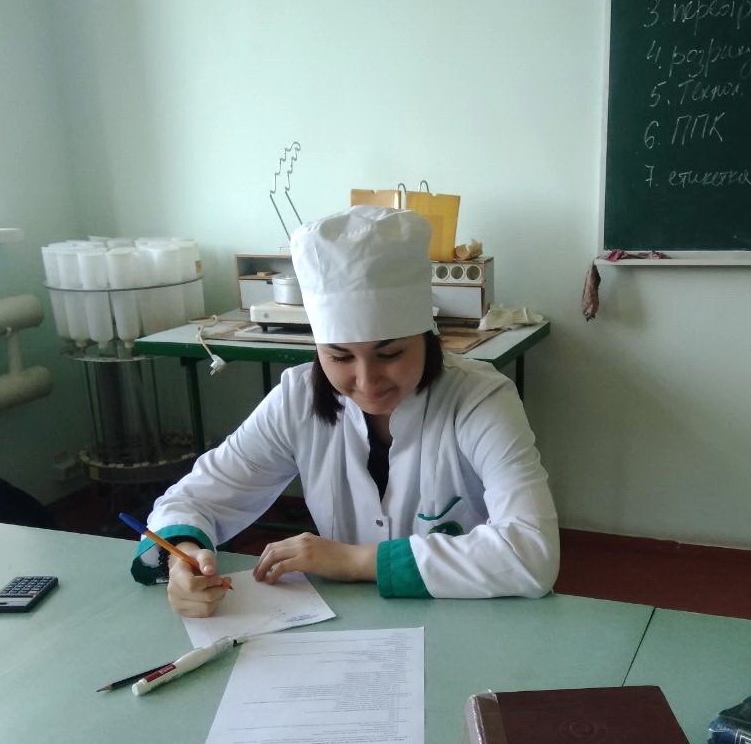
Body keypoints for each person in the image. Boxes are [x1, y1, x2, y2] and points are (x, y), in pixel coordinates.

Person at [130, 205, 559, 615]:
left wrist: (354, 560)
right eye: (339, 357)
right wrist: (182, 558)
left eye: (390, 354)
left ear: (427, 338)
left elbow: (532, 553)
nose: (367, 382)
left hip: (471, 617)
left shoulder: (481, 400)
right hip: (352, 625)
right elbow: (193, 499)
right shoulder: (297, 399)